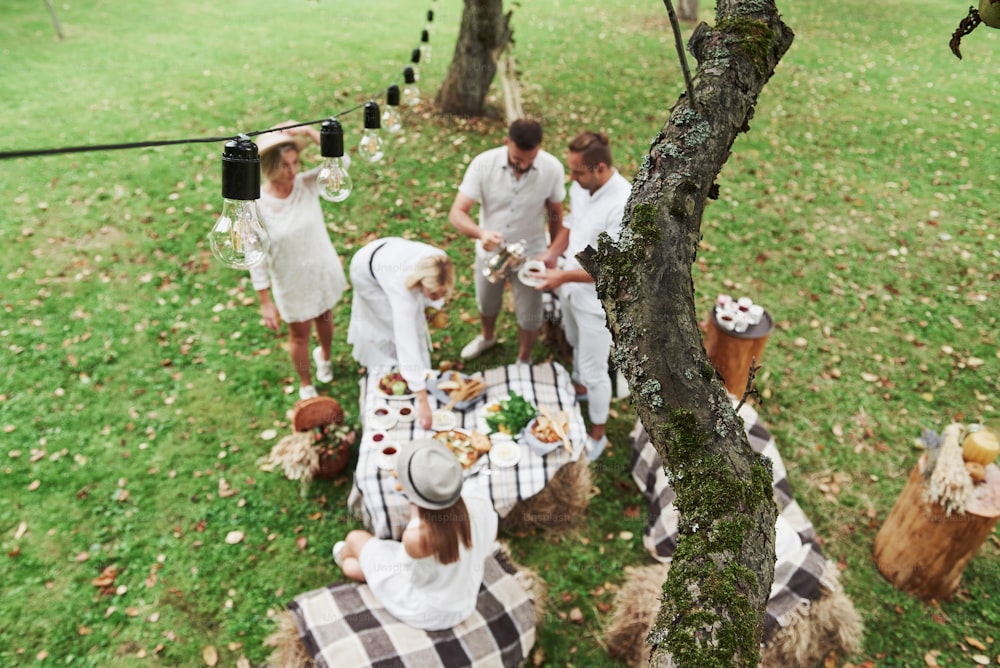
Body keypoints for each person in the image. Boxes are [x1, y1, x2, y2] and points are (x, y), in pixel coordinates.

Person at [533, 131, 631, 460]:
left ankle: (598, 435)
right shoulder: (582, 186)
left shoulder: (622, 204)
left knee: (594, 369)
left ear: (600, 167)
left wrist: (559, 275)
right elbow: (572, 226)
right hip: (570, 289)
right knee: (573, 342)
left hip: (596, 303)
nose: (571, 177)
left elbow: (610, 269)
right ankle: (581, 390)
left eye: (577, 170)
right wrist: (551, 255)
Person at [332, 438, 499, 631]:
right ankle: (361, 569)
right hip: (464, 599)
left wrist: (415, 514)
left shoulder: (417, 536)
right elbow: (488, 541)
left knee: (354, 540)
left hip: (429, 610)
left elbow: (413, 578)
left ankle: (346, 555)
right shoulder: (479, 499)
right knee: (351, 567)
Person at [448, 118, 565, 364]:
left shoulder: (552, 168)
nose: (523, 166)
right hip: (490, 251)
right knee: (487, 302)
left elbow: (555, 213)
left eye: (530, 161)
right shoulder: (483, 164)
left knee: (531, 314)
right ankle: (487, 337)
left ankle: (524, 357)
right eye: (517, 160)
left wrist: (553, 252)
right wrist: (481, 234)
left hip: (531, 253)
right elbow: (457, 213)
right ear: (506, 143)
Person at [249, 121, 348, 401]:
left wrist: (310, 133)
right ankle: (306, 383)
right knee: (299, 335)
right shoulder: (257, 205)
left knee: (326, 319)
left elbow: (343, 162)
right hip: (291, 281)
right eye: (285, 166)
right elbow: (254, 255)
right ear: (268, 167)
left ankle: (325, 358)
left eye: (296, 163)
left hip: (321, 269)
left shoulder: (306, 184)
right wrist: (264, 300)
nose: (293, 171)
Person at [347, 237, 455, 430]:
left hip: (388, 255)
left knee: (413, 323)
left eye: (441, 293)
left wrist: (433, 306)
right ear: (419, 282)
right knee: (389, 328)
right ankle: (395, 369)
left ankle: (415, 371)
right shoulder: (403, 293)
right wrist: (422, 401)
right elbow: (406, 340)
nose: (439, 299)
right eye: (432, 294)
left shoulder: (440, 260)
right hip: (365, 272)